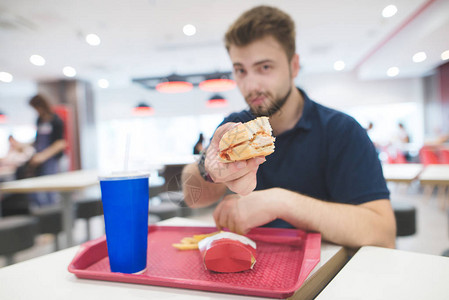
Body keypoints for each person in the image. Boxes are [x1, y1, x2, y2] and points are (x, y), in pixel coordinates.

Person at [181, 6, 396, 249]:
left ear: (294, 66)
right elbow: (192, 197)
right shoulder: (235, 126)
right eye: (240, 70)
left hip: (328, 276)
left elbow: (382, 233)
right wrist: (208, 168)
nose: (251, 85)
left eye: (265, 67)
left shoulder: (341, 130)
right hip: (249, 269)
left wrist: (280, 202)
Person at [28, 94, 67, 206]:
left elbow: (60, 143)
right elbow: (37, 141)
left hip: (52, 160)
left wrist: (43, 156)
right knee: (38, 192)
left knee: (52, 192)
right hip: (40, 160)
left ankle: (53, 217)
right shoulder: (39, 120)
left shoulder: (56, 120)